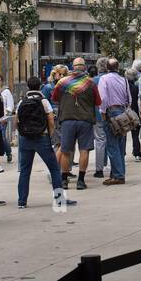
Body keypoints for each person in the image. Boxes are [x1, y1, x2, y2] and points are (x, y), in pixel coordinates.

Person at [13, 77, 75, 209]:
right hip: (41, 138)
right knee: (54, 168)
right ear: (40, 86)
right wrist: (50, 135)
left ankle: (22, 201)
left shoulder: (21, 102)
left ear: (28, 87)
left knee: (25, 171)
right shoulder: (44, 101)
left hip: (25, 139)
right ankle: (59, 199)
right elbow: (51, 121)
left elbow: (16, 122)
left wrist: (22, 134)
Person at [53, 57, 102, 189]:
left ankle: (63, 180)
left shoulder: (62, 83)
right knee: (84, 150)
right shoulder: (90, 83)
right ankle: (81, 180)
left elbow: (55, 98)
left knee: (65, 150)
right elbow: (98, 102)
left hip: (67, 119)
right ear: (84, 67)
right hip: (85, 120)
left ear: (72, 67)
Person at [98, 57, 130, 185]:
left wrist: (103, 112)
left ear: (107, 68)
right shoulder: (124, 80)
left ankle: (118, 175)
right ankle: (118, 172)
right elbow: (129, 98)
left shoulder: (104, 79)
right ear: (118, 67)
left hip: (110, 111)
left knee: (112, 145)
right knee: (120, 145)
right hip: (122, 111)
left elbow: (103, 98)